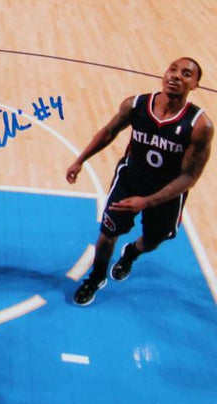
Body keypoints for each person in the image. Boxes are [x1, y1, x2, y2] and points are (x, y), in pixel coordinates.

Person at [66, 57, 212, 305]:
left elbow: (189, 177)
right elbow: (108, 132)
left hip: (167, 193)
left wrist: (147, 202)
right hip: (129, 181)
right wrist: (80, 159)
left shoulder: (200, 126)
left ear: (195, 85)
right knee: (106, 234)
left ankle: (131, 253)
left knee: (153, 241)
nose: (176, 76)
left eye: (186, 74)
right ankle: (96, 277)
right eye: (172, 69)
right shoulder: (136, 104)